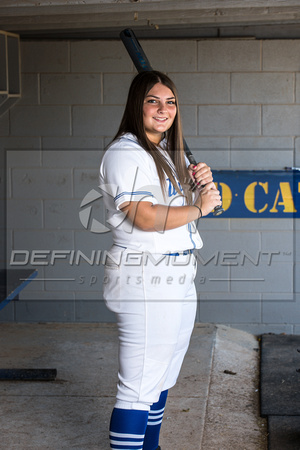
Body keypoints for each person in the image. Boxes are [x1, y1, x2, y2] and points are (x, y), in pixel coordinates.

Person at [99, 70, 221, 450]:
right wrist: (200, 208)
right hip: (145, 277)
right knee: (138, 386)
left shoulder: (165, 153)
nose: (163, 109)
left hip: (177, 273)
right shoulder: (125, 152)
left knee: (163, 376)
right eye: (153, 100)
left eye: (170, 102)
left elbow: (171, 207)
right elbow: (145, 216)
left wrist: (196, 182)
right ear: (138, 105)